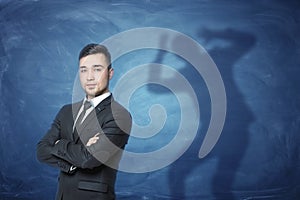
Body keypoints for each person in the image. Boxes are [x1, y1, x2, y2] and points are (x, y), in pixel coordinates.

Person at [37, 44, 132, 200]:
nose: (89, 77)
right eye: (83, 70)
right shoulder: (66, 111)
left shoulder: (119, 116)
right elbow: (41, 151)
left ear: (110, 73)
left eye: (97, 69)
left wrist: (58, 143)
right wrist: (72, 163)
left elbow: (89, 159)